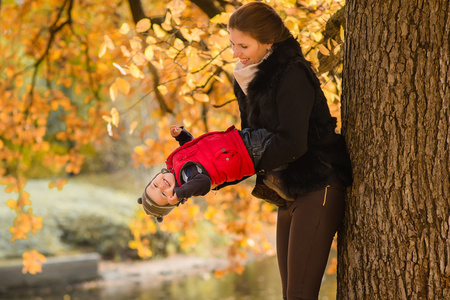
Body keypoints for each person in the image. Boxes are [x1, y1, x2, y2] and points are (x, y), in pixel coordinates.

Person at [228, 2, 353, 300]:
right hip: (286, 193)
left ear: (268, 41)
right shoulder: (245, 77)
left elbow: (293, 144)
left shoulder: (292, 73)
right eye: (232, 44)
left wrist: (240, 163)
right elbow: (251, 138)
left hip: (319, 184)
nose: (235, 53)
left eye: (243, 45)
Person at [137, 125, 276, 222]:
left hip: (238, 139)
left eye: (155, 185)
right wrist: (181, 193)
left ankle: (278, 174)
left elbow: (192, 148)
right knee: (278, 137)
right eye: (163, 194)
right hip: (246, 151)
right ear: (173, 198)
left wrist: (181, 135)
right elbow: (204, 182)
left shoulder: (175, 165)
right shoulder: (187, 181)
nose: (161, 186)